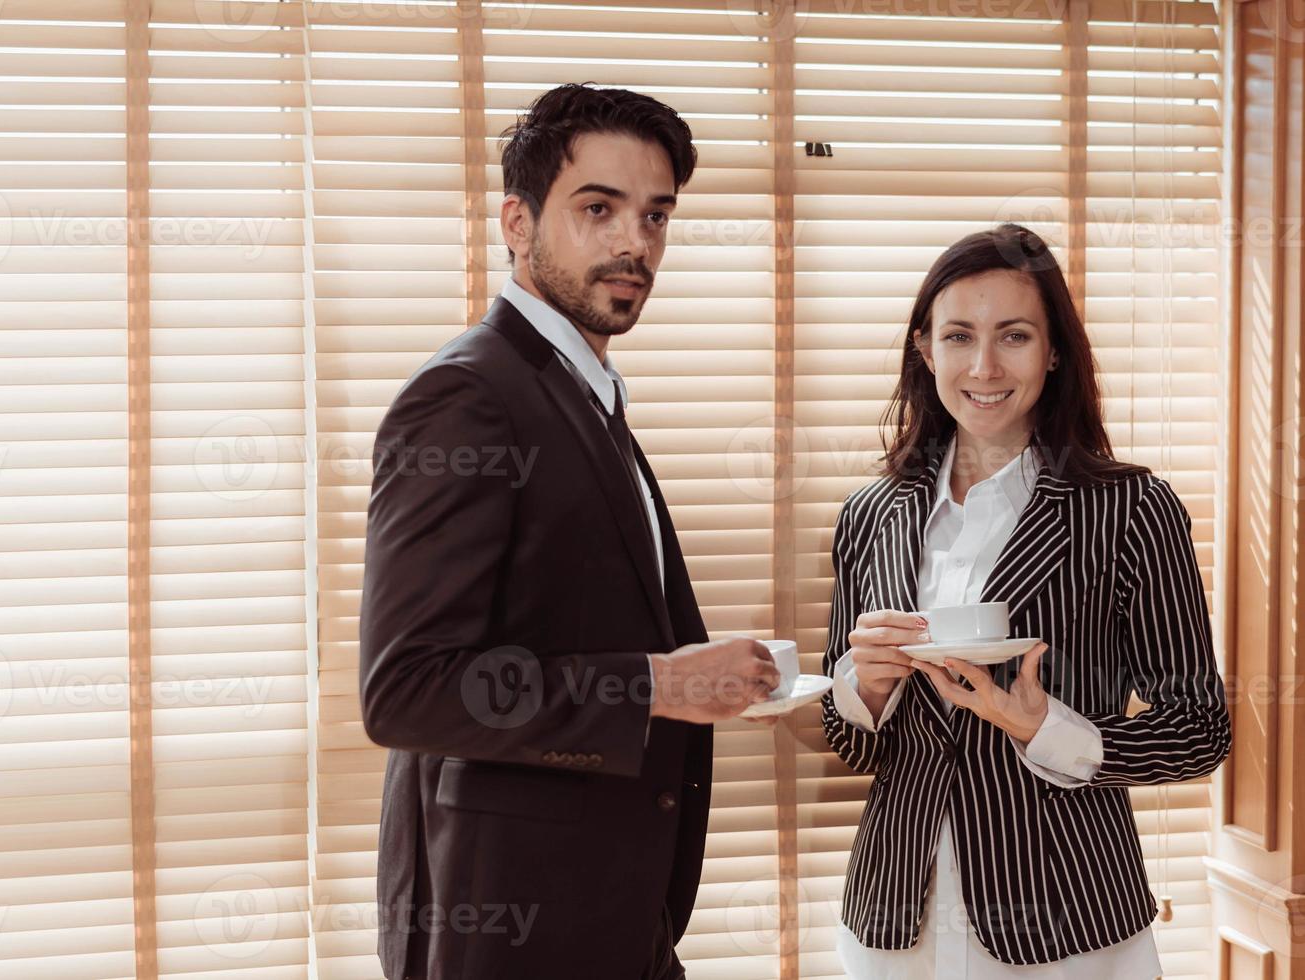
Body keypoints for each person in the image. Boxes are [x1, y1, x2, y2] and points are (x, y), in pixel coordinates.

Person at [358, 83, 782, 980]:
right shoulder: (466, 398)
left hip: (613, 918)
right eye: (598, 209)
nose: (635, 243)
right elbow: (405, 691)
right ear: (517, 221)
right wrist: (655, 685)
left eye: (655, 215)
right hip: (509, 938)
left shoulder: (581, 392)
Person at [820, 223, 1232, 977]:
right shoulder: (870, 514)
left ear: (1052, 353)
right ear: (924, 349)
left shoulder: (1130, 508)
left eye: (1012, 335)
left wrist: (1048, 728)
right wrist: (865, 688)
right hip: (893, 921)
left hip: (1067, 920)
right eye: (956, 336)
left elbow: (1199, 730)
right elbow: (850, 743)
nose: (982, 366)